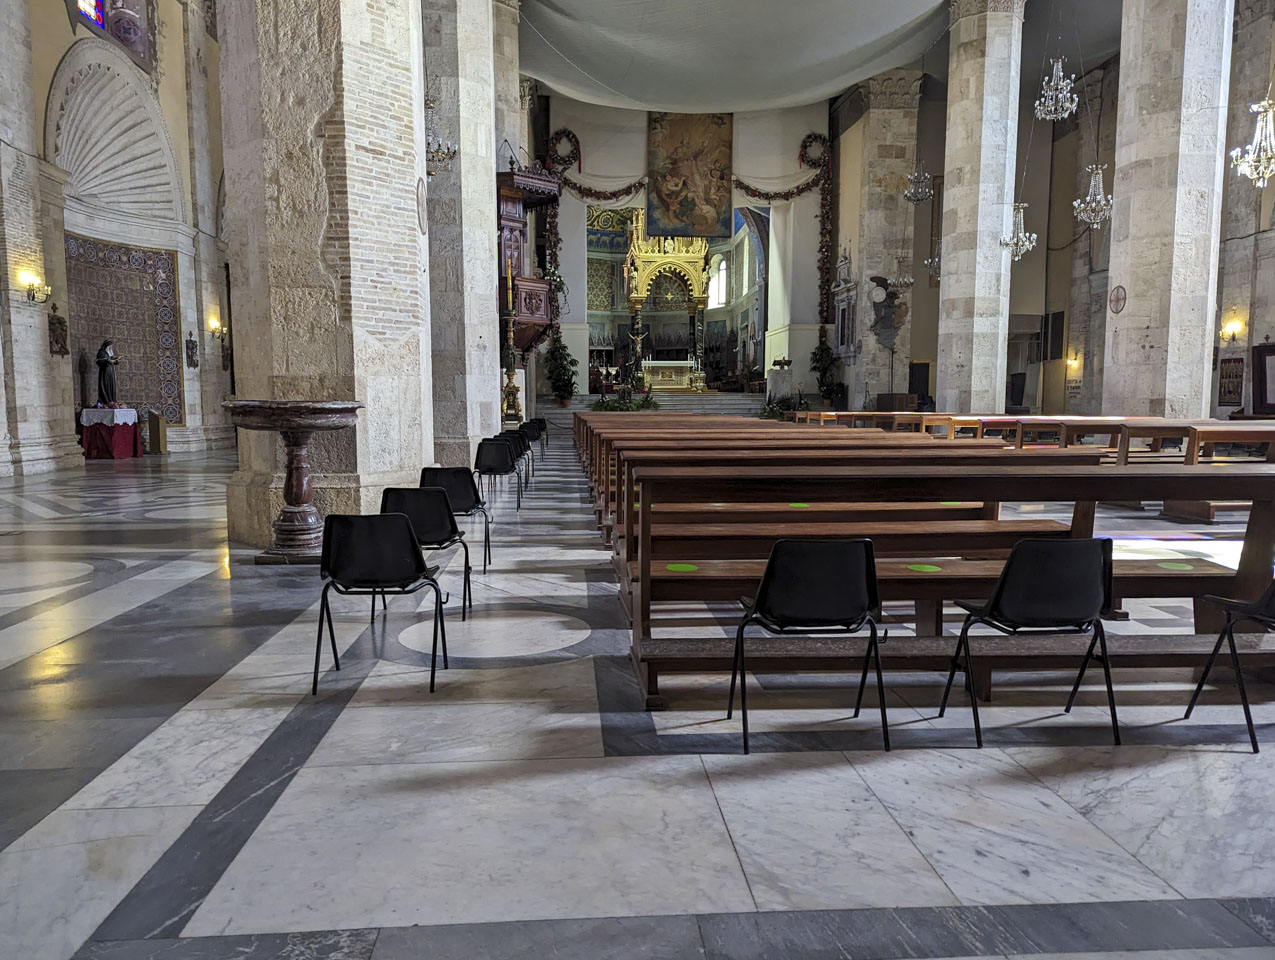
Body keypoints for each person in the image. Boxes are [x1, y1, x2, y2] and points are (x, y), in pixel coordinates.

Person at [96, 339, 119, 406]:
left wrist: (116, 361)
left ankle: (112, 400)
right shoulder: (102, 352)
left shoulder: (110, 353)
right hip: (104, 372)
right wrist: (107, 361)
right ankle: (105, 401)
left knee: (111, 385)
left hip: (111, 371)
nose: (111, 347)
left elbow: (114, 360)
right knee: (105, 385)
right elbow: (98, 361)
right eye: (109, 346)